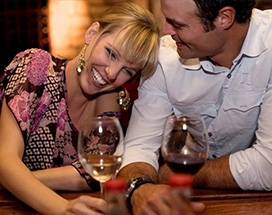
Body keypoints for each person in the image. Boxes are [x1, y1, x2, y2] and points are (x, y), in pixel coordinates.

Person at [118, 0, 272, 214]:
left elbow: (271, 166)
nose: (166, 31)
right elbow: (139, 145)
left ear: (224, 18)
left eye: (178, 25)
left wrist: (174, 174)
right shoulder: (164, 57)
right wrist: (139, 188)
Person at [0, 2, 160, 215]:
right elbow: (5, 159)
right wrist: (63, 208)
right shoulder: (36, 67)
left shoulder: (109, 98)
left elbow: (97, 173)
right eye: (111, 53)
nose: (112, 74)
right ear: (92, 34)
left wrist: (16, 180)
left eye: (127, 71)